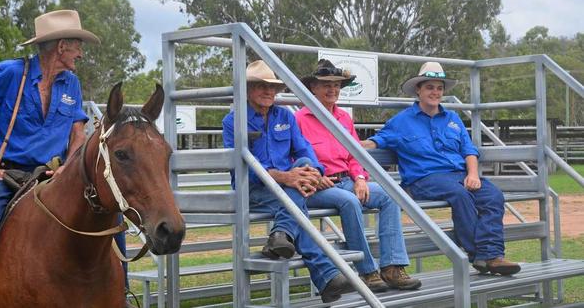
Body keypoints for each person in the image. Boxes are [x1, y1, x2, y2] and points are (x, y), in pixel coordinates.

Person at [0, 10, 127, 307]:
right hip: (9, 176)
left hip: (54, 174)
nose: (80, 54)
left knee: (110, 212)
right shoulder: (9, 74)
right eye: (77, 45)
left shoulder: (71, 83)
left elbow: (78, 133)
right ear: (61, 47)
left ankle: (121, 293)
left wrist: (68, 167)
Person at [362, 61, 521, 276]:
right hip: (424, 179)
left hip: (459, 174)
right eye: (429, 87)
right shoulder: (401, 122)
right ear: (418, 90)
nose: (435, 92)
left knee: (492, 195)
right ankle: (482, 255)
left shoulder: (453, 119)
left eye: (439, 88)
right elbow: (375, 142)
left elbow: (469, 151)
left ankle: (491, 254)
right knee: (460, 195)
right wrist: (345, 141)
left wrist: (473, 174)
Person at [222, 60, 354, 303]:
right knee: (296, 204)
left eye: (272, 87)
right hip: (253, 189)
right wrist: (287, 177)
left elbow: (304, 149)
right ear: (248, 89)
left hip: (290, 186)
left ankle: (281, 234)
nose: (268, 92)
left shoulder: (285, 115)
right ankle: (324, 272)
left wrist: (314, 170)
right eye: (261, 86)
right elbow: (241, 168)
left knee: (303, 161)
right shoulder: (233, 121)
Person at [295, 59, 421, 291]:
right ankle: (367, 271)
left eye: (336, 84)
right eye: (325, 84)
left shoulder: (344, 118)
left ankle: (392, 267)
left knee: (391, 195)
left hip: (347, 180)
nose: (332, 89)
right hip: (319, 185)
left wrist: (360, 178)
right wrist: (314, 174)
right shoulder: (300, 119)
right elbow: (296, 154)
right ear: (313, 88)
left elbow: (355, 155)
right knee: (350, 201)